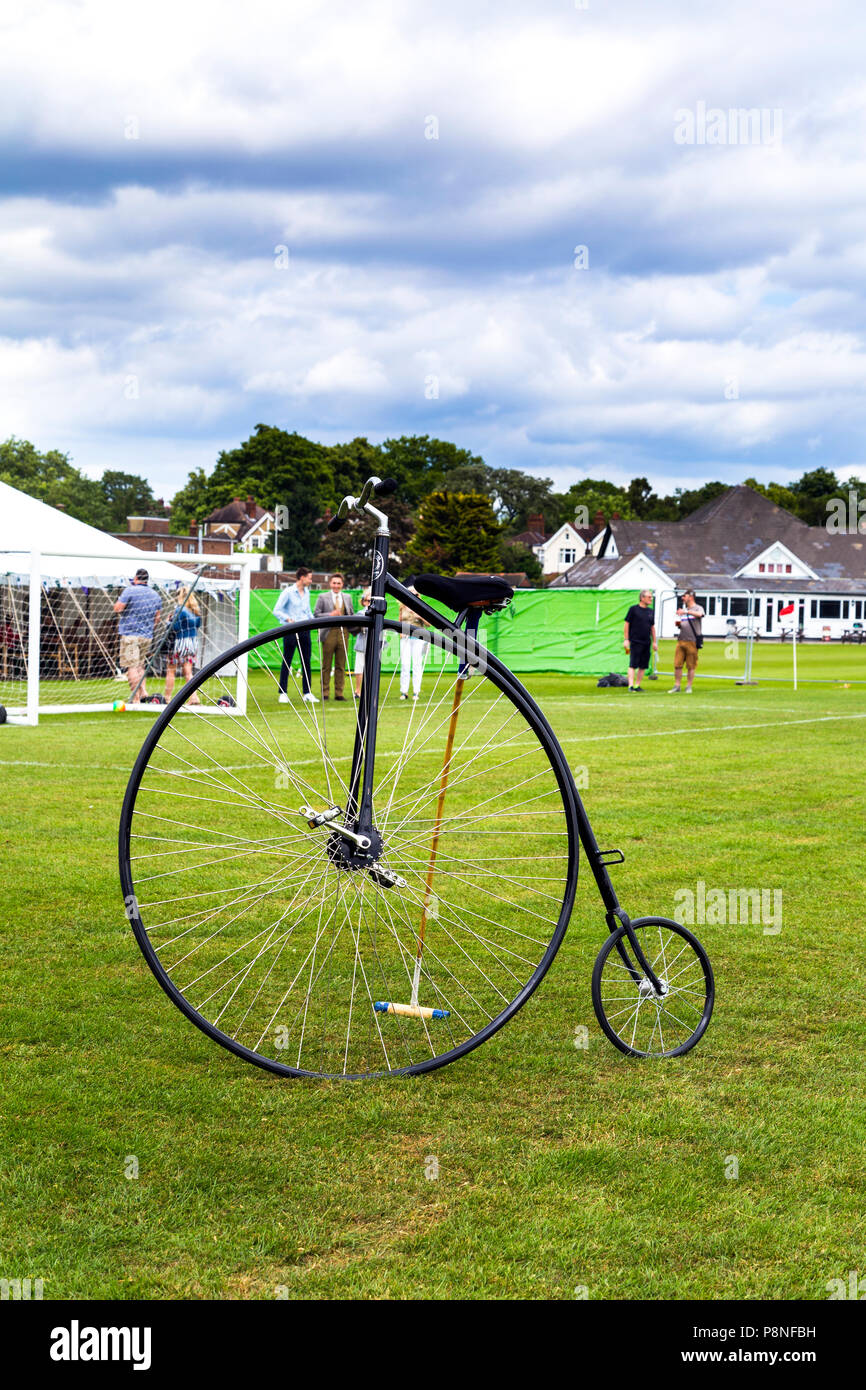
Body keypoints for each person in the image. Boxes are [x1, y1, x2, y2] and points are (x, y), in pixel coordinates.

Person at [113, 568, 162, 704]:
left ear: (135, 578)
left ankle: (135, 699)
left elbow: (118, 608)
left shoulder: (130, 590)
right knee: (140, 665)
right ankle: (143, 692)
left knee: (132, 667)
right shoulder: (155, 595)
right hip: (147, 636)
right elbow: (157, 618)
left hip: (130, 635)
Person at [275, 567, 318, 704]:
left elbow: (308, 611)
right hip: (290, 630)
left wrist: (315, 622)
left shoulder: (307, 593)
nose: (311, 581)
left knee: (306, 661)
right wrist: (288, 619)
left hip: (305, 630)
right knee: (287, 660)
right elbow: (277, 610)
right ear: (302, 577)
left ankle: (307, 692)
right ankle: (282, 692)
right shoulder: (288, 592)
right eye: (309, 578)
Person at [314, 574, 354, 701]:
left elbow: (351, 614)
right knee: (326, 665)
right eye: (334, 583)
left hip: (343, 632)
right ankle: (325, 692)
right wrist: (330, 614)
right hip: (329, 632)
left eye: (339, 583)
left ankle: (339, 693)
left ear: (342, 584)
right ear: (330, 584)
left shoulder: (347, 597)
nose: (336, 586)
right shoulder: (322, 597)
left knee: (341, 665)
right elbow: (316, 614)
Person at [164, 587, 202, 705]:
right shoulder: (195, 610)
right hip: (192, 641)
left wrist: (168, 621)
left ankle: (167, 698)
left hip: (180, 642)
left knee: (171, 670)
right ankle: (194, 697)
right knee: (188, 671)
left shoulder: (180, 610)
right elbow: (198, 625)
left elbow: (175, 628)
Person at [669, 588, 704, 694]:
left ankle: (688, 687)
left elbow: (700, 615)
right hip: (681, 640)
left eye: (684, 596)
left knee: (691, 665)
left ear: (691, 596)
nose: (682, 598)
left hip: (692, 641)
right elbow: (683, 623)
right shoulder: (683, 610)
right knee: (677, 665)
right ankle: (677, 686)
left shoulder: (698, 608)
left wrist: (686, 612)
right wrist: (679, 624)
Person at [398, 589, 430, 701]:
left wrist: (419, 616)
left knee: (417, 665)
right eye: (411, 593)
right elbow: (400, 621)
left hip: (418, 638)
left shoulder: (421, 607)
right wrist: (401, 632)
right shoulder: (402, 607)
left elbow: (428, 624)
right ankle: (404, 691)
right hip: (405, 638)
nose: (413, 595)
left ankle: (416, 692)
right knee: (405, 664)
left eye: (416, 594)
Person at [623, 589, 657, 692]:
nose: (651, 599)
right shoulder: (633, 609)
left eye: (651, 597)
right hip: (635, 641)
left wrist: (654, 641)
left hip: (646, 642)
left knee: (643, 665)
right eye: (649, 597)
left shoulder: (651, 612)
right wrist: (626, 639)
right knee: (633, 664)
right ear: (642, 598)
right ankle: (631, 685)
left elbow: (652, 627)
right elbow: (627, 624)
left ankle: (637, 685)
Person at [353, 587, 372, 697]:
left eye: (371, 601)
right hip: (362, 643)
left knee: (371, 668)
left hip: (374, 643)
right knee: (359, 667)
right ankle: (358, 690)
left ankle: (369, 690)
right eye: (367, 600)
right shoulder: (360, 613)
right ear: (363, 601)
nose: (369, 603)